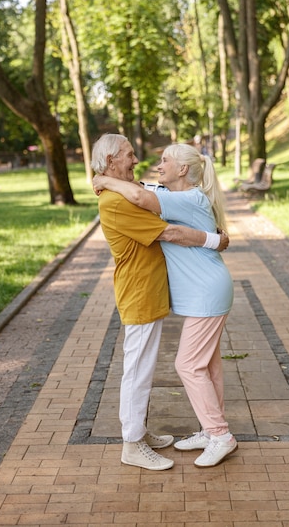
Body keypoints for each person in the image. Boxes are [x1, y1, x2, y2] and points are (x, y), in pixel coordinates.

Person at [93, 142, 237, 468]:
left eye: (164, 160)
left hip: (204, 292)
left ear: (183, 169)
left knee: (191, 365)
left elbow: (147, 199)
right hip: (152, 293)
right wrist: (216, 239)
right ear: (112, 160)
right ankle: (141, 440)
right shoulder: (121, 200)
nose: (145, 162)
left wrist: (105, 179)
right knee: (176, 367)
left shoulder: (182, 197)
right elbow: (160, 219)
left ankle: (216, 433)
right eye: (130, 155)